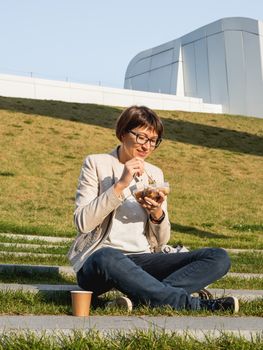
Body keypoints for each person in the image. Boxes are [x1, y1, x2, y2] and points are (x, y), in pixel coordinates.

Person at [68, 105, 239, 313]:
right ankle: (190, 303)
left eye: (153, 140)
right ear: (123, 133)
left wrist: (157, 214)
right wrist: (120, 185)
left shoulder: (154, 174)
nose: (147, 146)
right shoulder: (96, 164)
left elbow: (162, 241)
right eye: (141, 137)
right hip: (100, 262)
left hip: (144, 260)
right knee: (107, 256)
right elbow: (82, 222)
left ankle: (144, 296)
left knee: (218, 257)